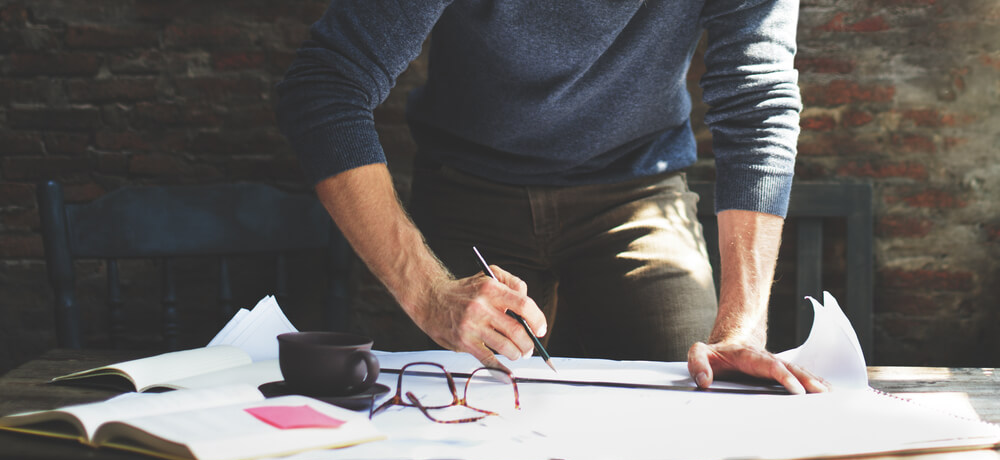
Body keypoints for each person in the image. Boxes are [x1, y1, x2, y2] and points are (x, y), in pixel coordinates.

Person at [275, 1, 828, 394]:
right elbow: (327, 83)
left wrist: (741, 329)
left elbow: (758, 103)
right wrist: (429, 293)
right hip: (469, 187)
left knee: (703, 395)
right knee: (448, 410)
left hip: (640, 192)